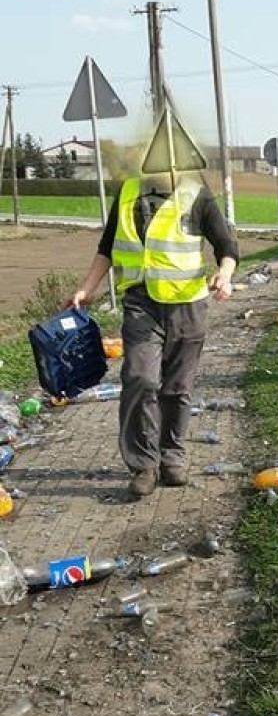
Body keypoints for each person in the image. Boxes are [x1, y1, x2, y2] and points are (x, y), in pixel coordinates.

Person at [67, 167, 238, 499]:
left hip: (188, 304)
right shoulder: (129, 191)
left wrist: (225, 275)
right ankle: (144, 465)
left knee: (178, 387)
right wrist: (86, 290)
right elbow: (107, 246)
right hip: (141, 303)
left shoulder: (195, 192)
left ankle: (171, 458)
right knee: (140, 378)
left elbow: (226, 244)